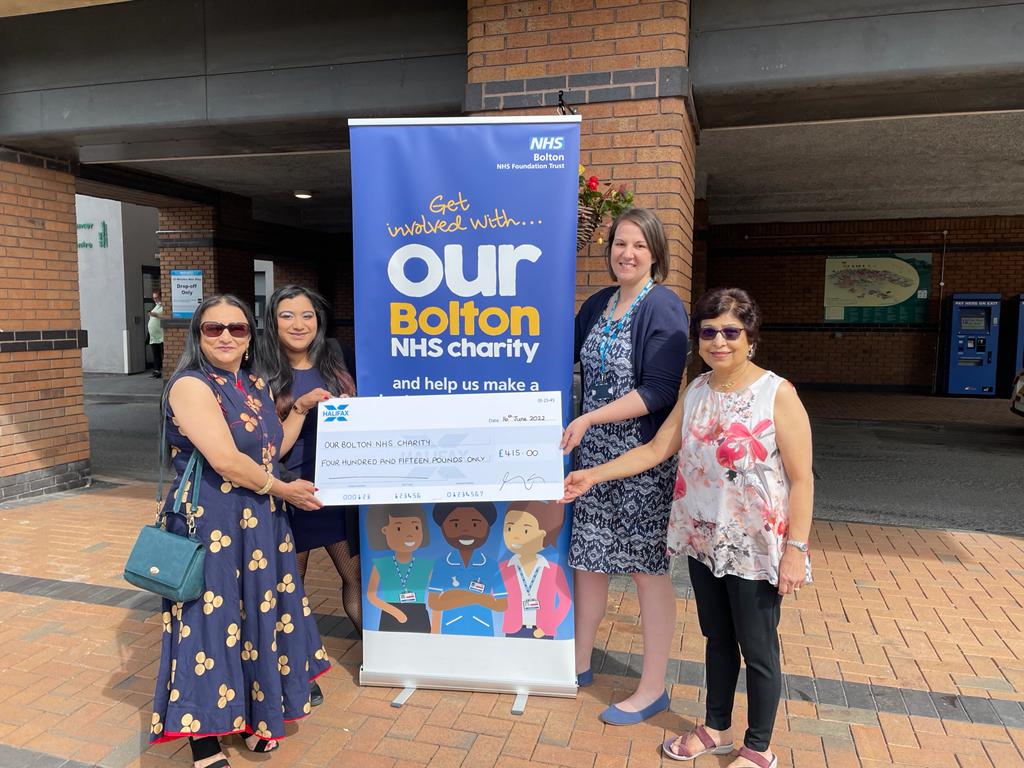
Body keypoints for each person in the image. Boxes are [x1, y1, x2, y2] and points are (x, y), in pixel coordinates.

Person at [563, 287, 813, 768]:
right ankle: (715, 727)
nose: (720, 342)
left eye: (731, 332)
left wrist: (796, 550)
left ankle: (758, 747)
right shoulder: (696, 391)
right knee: (717, 639)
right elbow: (656, 450)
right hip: (704, 540)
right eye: (709, 332)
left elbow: (802, 481)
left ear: (751, 338)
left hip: (756, 545)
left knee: (758, 649)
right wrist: (592, 474)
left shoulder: (777, 393)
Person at [149, 294, 332, 768]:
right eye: (214, 329)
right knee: (207, 626)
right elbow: (227, 460)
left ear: (251, 337)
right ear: (199, 336)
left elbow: (268, 449)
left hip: (260, 520)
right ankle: (202, 739)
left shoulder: (252, 383)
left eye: (238, 328)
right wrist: (284, 490)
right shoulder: (191, 386)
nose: (227, 336)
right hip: (212, 522)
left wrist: (299, 411)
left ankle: (256, 714)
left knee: (256, 618)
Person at [560, 207, 689, 725]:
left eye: (637, 245)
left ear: (655, 253)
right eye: (619, 244)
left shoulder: (664, 308)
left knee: (645, 571)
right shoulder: (597, 304)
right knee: (587, 563)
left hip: (641, 462)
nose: (626, 254)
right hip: (590, 456)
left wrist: (590, 417)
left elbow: (659, 391)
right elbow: (559, 358)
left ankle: (652, 687)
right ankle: (578, 662)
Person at [257, 285, 361, 708]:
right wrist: (298, 408)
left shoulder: (338, 359)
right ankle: (294, 670)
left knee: (356, 576)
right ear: (272, 321)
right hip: (289, 490)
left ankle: (380, 652)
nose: (298, 324)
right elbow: (270, 449)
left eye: (307, 315)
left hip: (340, 487)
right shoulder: (260, 372)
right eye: (287, 315)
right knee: (289, 588)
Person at [427, 502, 507, 636]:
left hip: (483, 630)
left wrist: (454, 596)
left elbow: (502, 604)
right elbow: (434, 603)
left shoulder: (491, 564)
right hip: (451, 630)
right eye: (456, 525)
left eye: (475, 524)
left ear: (487, 529)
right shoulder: (441, 564)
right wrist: (479, 598)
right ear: (443, 529)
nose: (465, 531)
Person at [499, 501, 572, 639]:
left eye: (525, 530)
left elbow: (565, 601)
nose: (515, 536)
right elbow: (495, 595)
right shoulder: (503, 568)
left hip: (542, 630)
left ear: (543, 534)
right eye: (509, 529)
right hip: (513, 629)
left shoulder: (553, 569)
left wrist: (550, 625)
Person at [364, 504, 434, 633]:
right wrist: (396, 613)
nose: (409, 535)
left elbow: (434, 595)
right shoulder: (381, 564)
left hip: (419, 615)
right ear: (384, 531)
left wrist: (435, 628)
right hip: (390, 614)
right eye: (399, 528)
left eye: (416, 527)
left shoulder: (427, 565)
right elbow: (371, 595)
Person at [148, 289, 164, 377]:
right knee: (156, 354)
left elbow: (165, 316)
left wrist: (156, 315)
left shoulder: (163, 306)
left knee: (163, 354)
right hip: (154, 336)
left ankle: (166, 370)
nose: (155, 300)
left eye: (157, 298)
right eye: (154, 298)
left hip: (161, 335)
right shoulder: (156, 306)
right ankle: (157, 371)